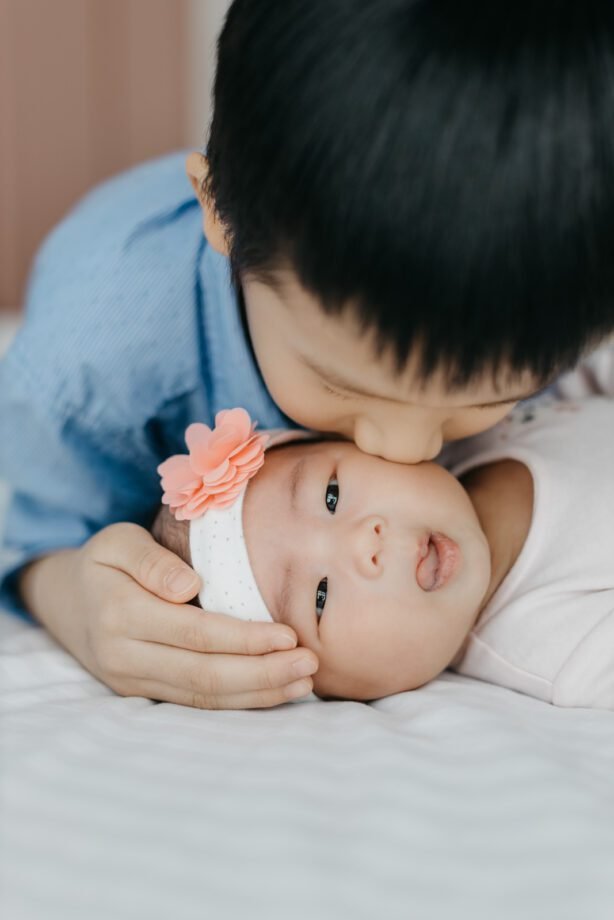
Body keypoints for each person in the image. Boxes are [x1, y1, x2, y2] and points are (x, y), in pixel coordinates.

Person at [2, 1, 614, 709]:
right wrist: (76, 604)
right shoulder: (89, 364)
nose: (407, 450)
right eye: (342, 384)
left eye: (484, 395)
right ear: (217, 211)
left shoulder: (569, 249)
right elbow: (38, 538)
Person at [153, 401, 614, 710]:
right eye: (320, 597)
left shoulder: (487, 424)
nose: (364, 544)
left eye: (331, 496)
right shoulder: (566, 651)